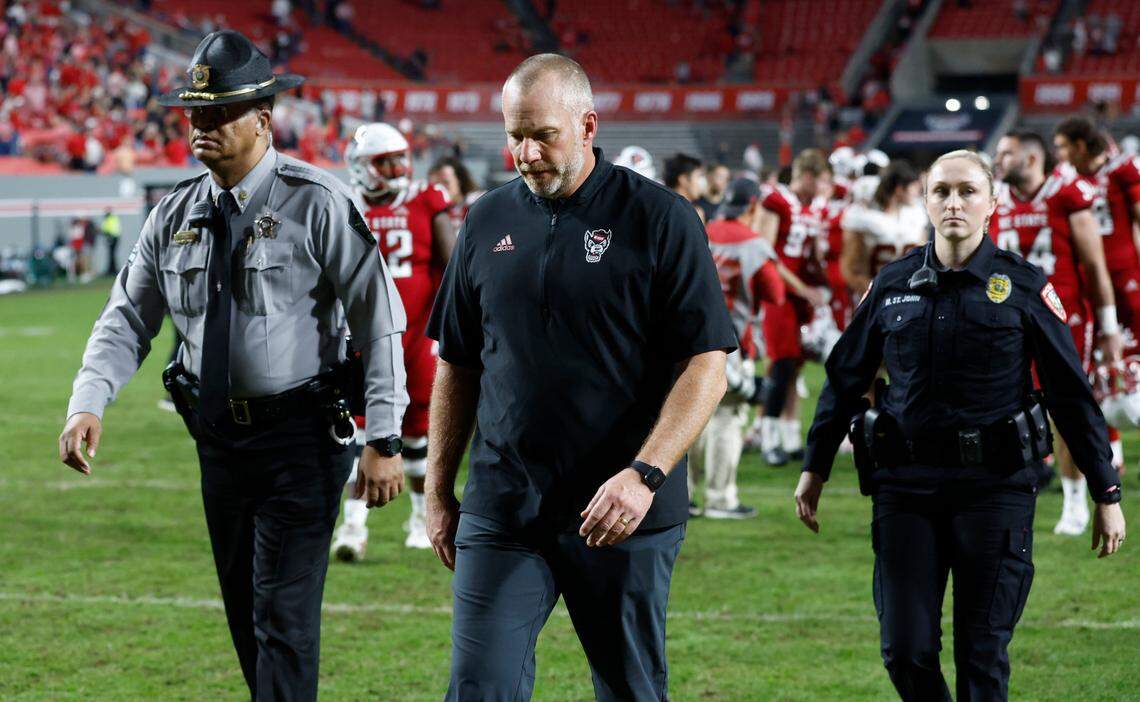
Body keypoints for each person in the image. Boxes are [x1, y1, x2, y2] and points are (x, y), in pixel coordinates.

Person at [57, 31, 408, 701]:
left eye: (219, 112)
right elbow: (127, 318)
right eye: (196, 113)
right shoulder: (174, 214)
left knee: (281, 618)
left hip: (301, 443)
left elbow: (379, 323)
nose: (202, 126)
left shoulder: (319, 201)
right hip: (218, 444)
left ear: (264, 120)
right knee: (249, 620)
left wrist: (385, 440)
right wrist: (87, 399)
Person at [424, 53, 737, 701]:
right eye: (514, 135)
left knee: (629, 691)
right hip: (504, 506)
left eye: (543, 135)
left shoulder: (660, 219)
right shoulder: (485, 220)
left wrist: (645, 475)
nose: (526, 153)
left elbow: (707, 365)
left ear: (588, 124)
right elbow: (457, 360)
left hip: (623, 511)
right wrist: (436, 489)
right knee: (477, 688)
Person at [794, 149, 1126, 702]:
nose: (954, 202)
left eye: (968, 191)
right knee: (905, 651)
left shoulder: (1024, 286)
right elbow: (844, 378)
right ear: (925, 201)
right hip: (906, 489)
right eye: (942, 191)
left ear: (992, 204)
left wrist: (1105, 490)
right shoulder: (891, 284)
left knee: (982, 656)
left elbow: (1071, 393)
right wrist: (815, 466)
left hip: (996, 491)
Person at [332, 122, 455, 556]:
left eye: (400, 157)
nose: (398, 167)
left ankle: (421, 518)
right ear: (362, 166)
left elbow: (451, 267)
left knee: (418, 429)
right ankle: (353, 528)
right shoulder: (342, 204)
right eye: (385, 160)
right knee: (358, 429)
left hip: (418, 334)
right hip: (363, 332)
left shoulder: (426, 199)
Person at [992, 129, 1123, 535]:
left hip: (1063, 322)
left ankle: (1074, 502)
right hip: (1008, 322)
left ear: (1032, 159)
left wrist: (1108, 327)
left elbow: (1095, 267)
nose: (999, 160)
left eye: (1007, 153)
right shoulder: (995, 202)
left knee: (1064, 410)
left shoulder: (1067, 195)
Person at [692, 177, 786, 519]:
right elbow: (775, 294)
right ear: (752, 205)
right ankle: (720, 498)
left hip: (693, 337)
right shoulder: (754, 244)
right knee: (726, 419)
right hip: (732, 342)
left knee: (692, 415)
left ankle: (685, 493)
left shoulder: (702, 229)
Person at [1055, 117, 1140, 477]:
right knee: (1095, 372)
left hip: (1126, 279)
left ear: (1078, 145)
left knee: (1132, 366)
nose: (1058, 154)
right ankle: (1113, 456)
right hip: (1091, 282)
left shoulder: (1122, 168)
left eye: (1061, 146)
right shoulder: (1066, 182)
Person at [754, 148, 829, 466]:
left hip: (799, 294)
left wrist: (821, 286)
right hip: (778, 292)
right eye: (823, 180)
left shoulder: (812, 207)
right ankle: (768, 438)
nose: (827, 188)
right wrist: (802, 288)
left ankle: (789, 435)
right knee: (782, 363)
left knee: (795, 365)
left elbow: (810, 256)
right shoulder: (776, 200)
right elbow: (765, 251)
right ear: (809, 176)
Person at [839, 160, 927, 300]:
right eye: (914, 187)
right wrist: (880, 293)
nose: (918, 192)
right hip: (873, 297)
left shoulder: (915, 215)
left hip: (908, 297)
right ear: (899, 189)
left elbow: (924, 260)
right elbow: (850, 270)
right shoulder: (864, 219)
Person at [428, 155, 482, 232]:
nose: (440, 189)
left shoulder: (475, 202)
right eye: (435, 185)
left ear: (459, 180)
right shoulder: (429, 211)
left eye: (446, 182)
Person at [663, 152, 707, 222]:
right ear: (684, 179)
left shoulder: (661, 207)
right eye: (699, 176)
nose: (702, 182)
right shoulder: (673, 212)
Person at [100, 207, 121, 276]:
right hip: (114, 237)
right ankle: (112, 269)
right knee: (112, 255)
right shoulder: (113, 218)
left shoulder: (109, 219)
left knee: (111, 255)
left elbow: (106, 229)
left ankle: (112, 270)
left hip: (112, 237)